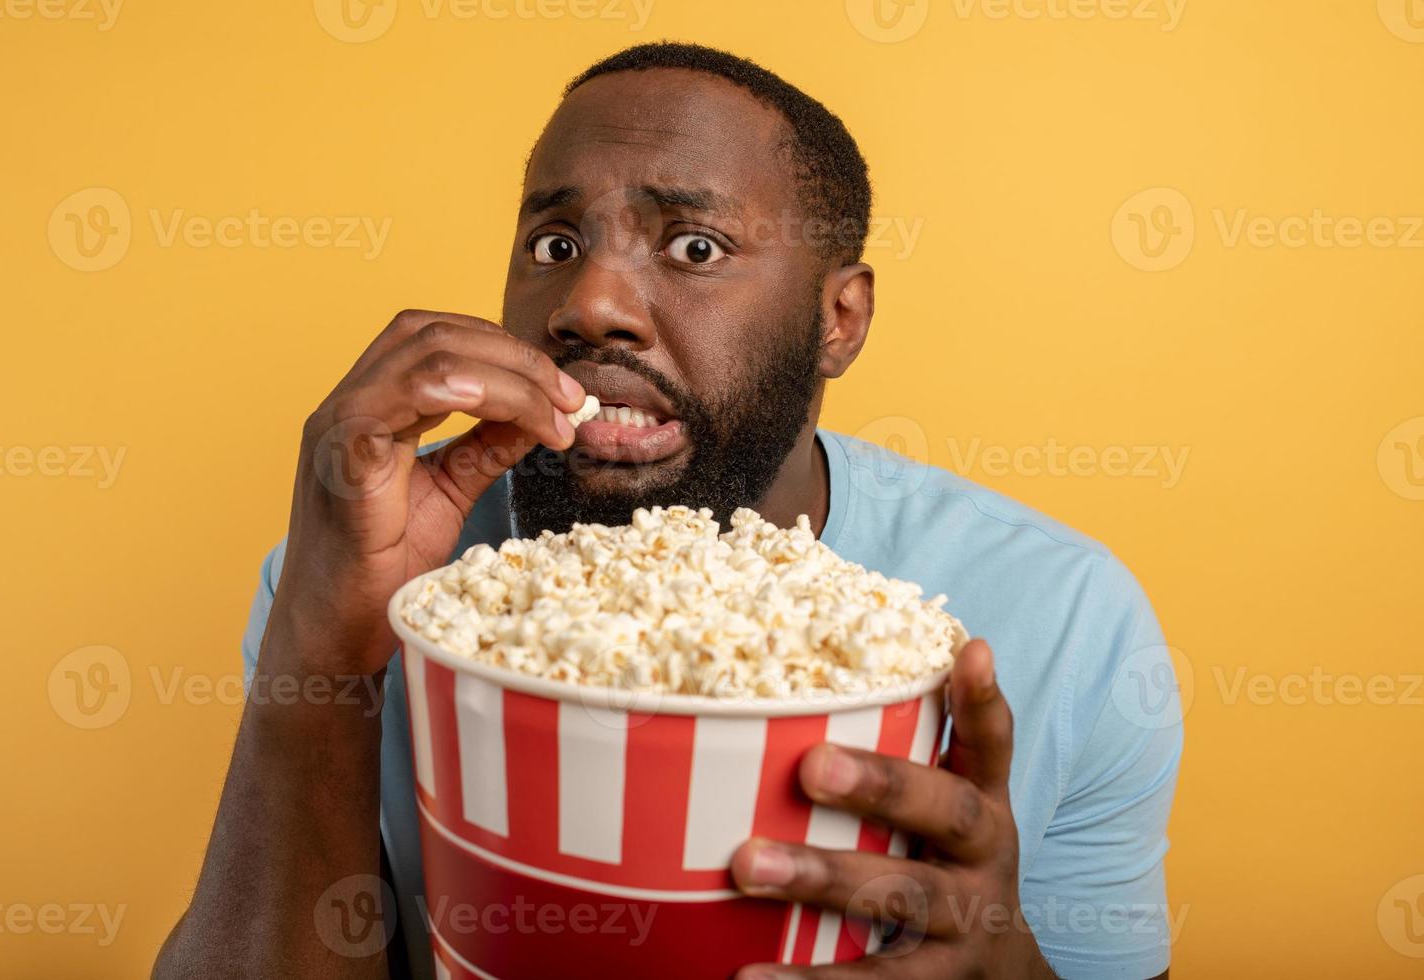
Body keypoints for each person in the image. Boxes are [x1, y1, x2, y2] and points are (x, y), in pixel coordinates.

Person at [154, 42, 1180, 980]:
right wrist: (321, 653)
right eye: (554, 242)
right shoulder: (361, 572)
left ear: (839, 317)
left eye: (693, 247)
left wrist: (1006, 966)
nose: (587, 302)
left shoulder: (1067, 617)